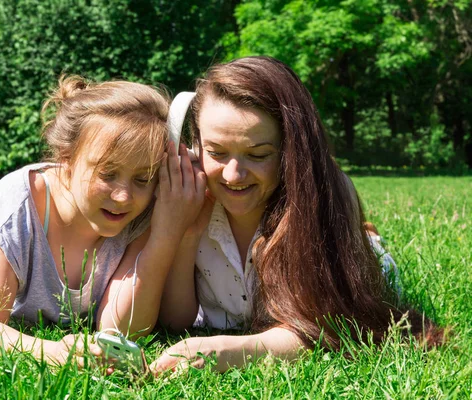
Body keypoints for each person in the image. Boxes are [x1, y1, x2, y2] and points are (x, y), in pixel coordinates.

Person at [154, 56, 443, 374]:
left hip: (352, 260)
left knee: (367, 251)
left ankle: (366, 238)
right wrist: (186, 234)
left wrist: (235, 349)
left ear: (292, 150)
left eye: (258, 154)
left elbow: (332, 327)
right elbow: (174, 321)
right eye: (217, 152)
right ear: (194, 144)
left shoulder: (323, 195)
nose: (234, 175)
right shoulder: (187, 194)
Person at [0, 76, 206, 368]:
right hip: (2, 254)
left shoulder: (146, 208)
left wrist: (166, 233)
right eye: (107, 173)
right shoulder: (16, 204)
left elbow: (122, 328)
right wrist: (53, 351)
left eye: (143, 178)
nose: (124, 196)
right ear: (66, 159)